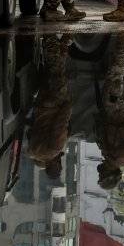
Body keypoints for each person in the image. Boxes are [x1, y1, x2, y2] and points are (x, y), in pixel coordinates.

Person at [95, 33, 124, 190]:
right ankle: (122, 35)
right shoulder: (120, 158)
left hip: (110, 110)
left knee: (113, 74)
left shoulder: (111, 157)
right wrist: (115, 130)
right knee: (116, 74)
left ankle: (119, 37)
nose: (100, 173)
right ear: (110, 173)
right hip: (115, 110)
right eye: (102, 176)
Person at [27, 35, 73, 182]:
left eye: (59, 167)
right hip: (41, 104)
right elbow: (30, 131)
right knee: (54, 70)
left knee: (56, 70)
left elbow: (60, 124)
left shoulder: (55, 149)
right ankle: (65, 41)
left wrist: (68, 107)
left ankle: (50, 36)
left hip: (56, 103)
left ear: (56, 166)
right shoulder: (33, 151)